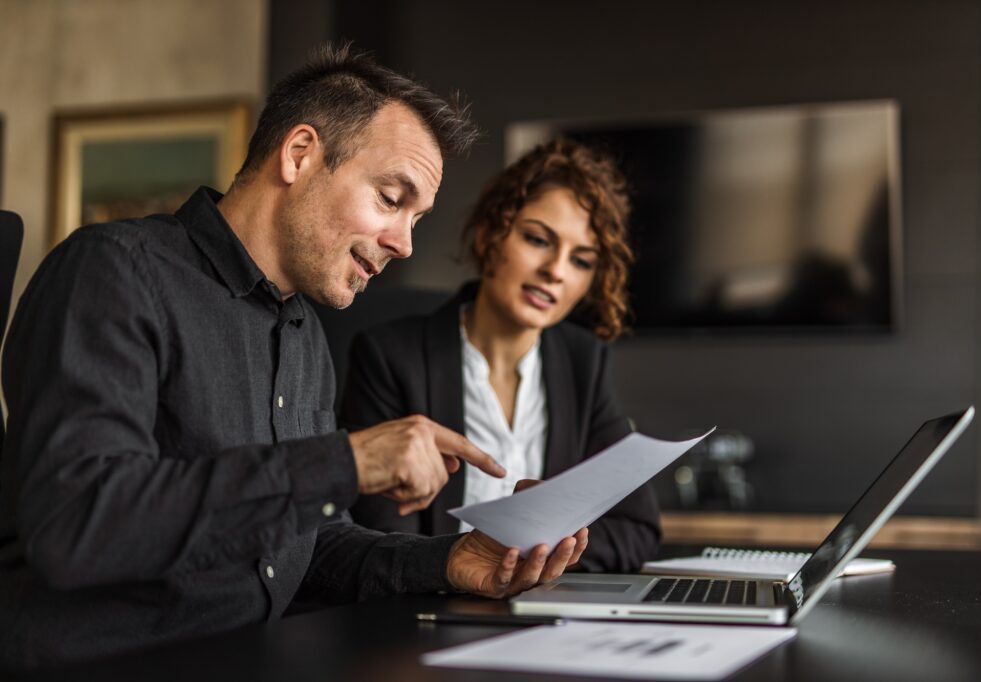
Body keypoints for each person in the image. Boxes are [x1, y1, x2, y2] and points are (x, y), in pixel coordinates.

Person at [0, 44, 586, 669]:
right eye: (392, 199)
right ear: (300, 153)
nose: (405, 244)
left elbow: (300, 551)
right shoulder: (113, 272)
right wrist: (344, 462)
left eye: (417, 217)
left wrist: (449, 560)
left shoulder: (302, 331)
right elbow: (78, 523)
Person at [342, 139, 661, 573]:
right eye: (537, 239)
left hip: (542, 613)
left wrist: (530, 561)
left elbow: (636, 527)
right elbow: (376, 536)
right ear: (491, 233)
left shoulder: (583, 362)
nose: (557, 271)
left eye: (582, 261)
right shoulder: (391, 356)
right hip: (429, 607)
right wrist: (466, 566)